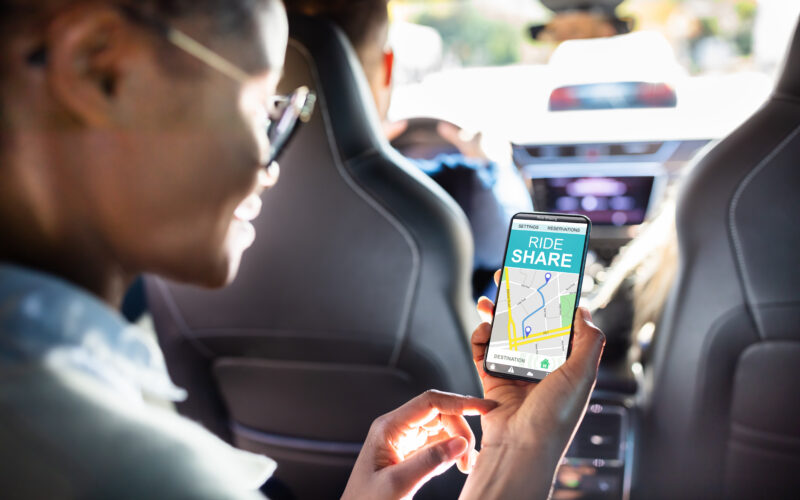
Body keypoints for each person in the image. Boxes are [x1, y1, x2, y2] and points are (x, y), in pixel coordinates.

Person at [0, 0, 605, 498]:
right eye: (267, 110)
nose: (274, 164)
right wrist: (527, 449)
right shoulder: (127, 467)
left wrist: (515, 446)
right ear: (98, 71)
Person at [285, 0, 533, 299]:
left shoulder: (234, 202)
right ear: (388, 66)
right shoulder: (457, 192)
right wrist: (498, 167)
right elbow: (529, 281)